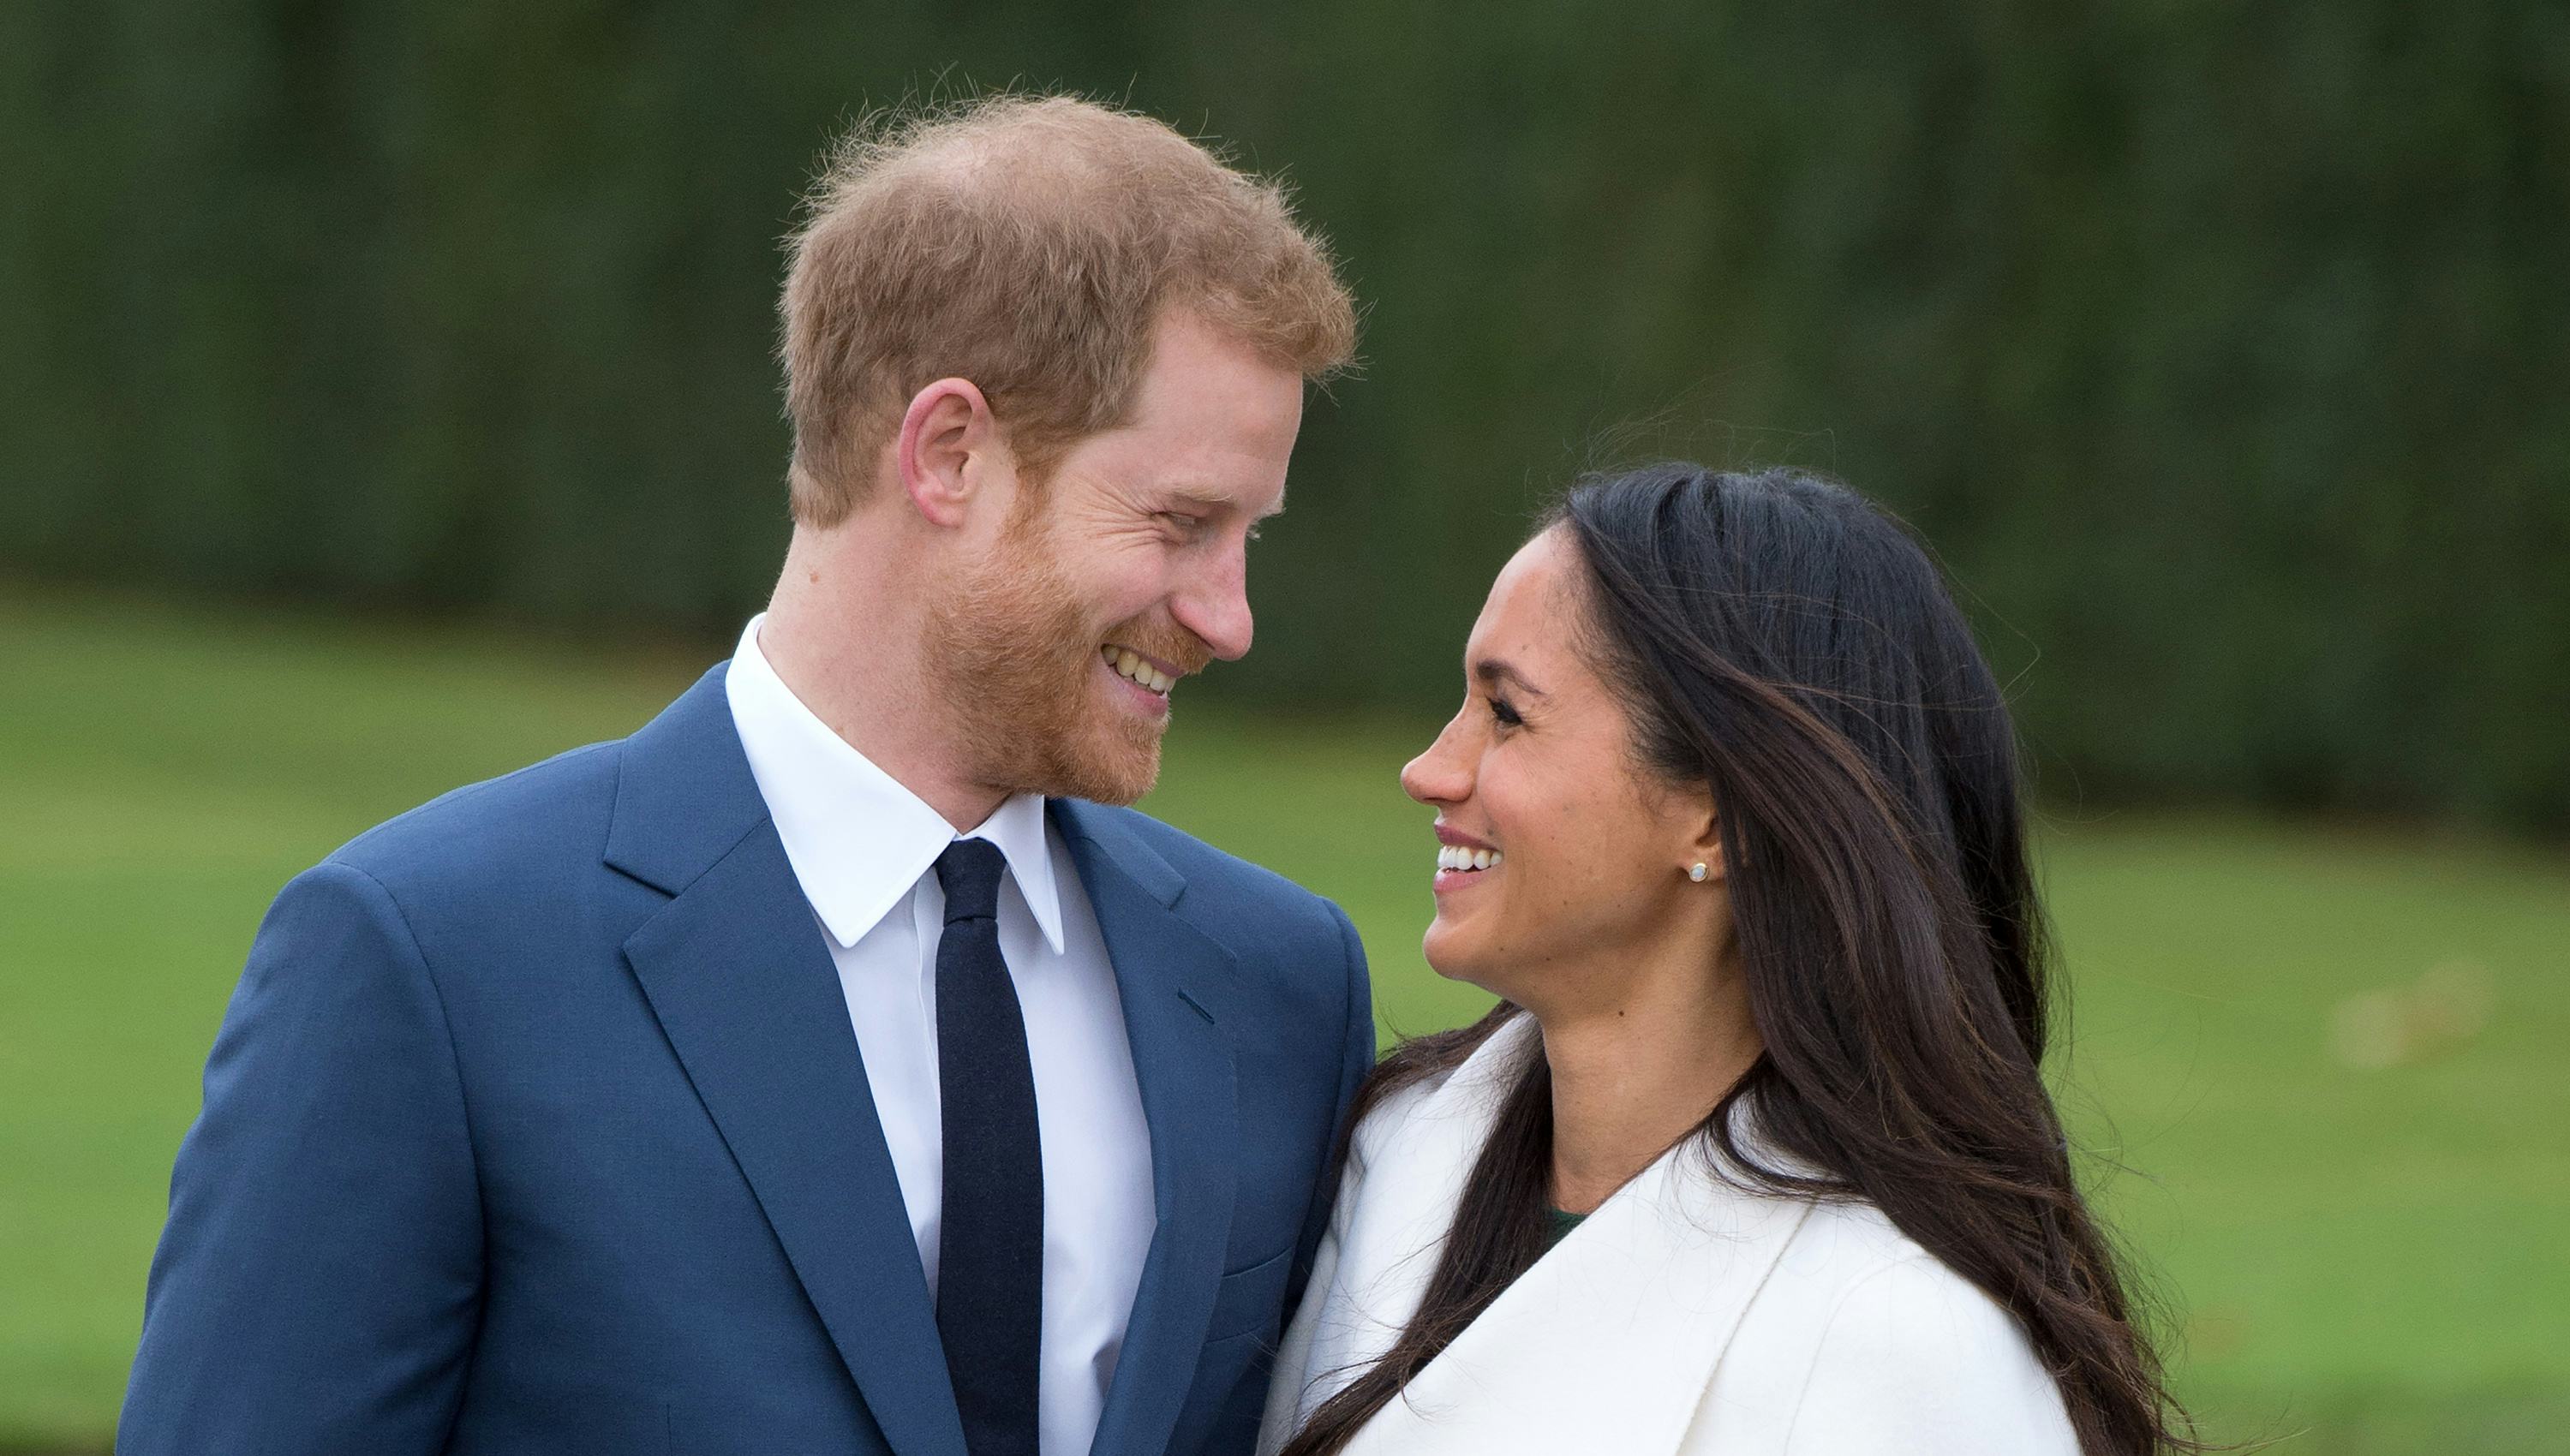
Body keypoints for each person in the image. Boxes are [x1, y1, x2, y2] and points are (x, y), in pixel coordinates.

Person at [121, 95, 1371, 1456]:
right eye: (1182, 522)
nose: (1230, 618)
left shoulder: (1282, 988)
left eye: (1249, 536)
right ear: (949, 454)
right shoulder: (431, 965)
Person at [1258, 464, 2193, 1456]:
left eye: (1508, 713)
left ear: (1714, 817)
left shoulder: (1902, 1341)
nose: (1429, 769)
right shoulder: (1395, 1152)